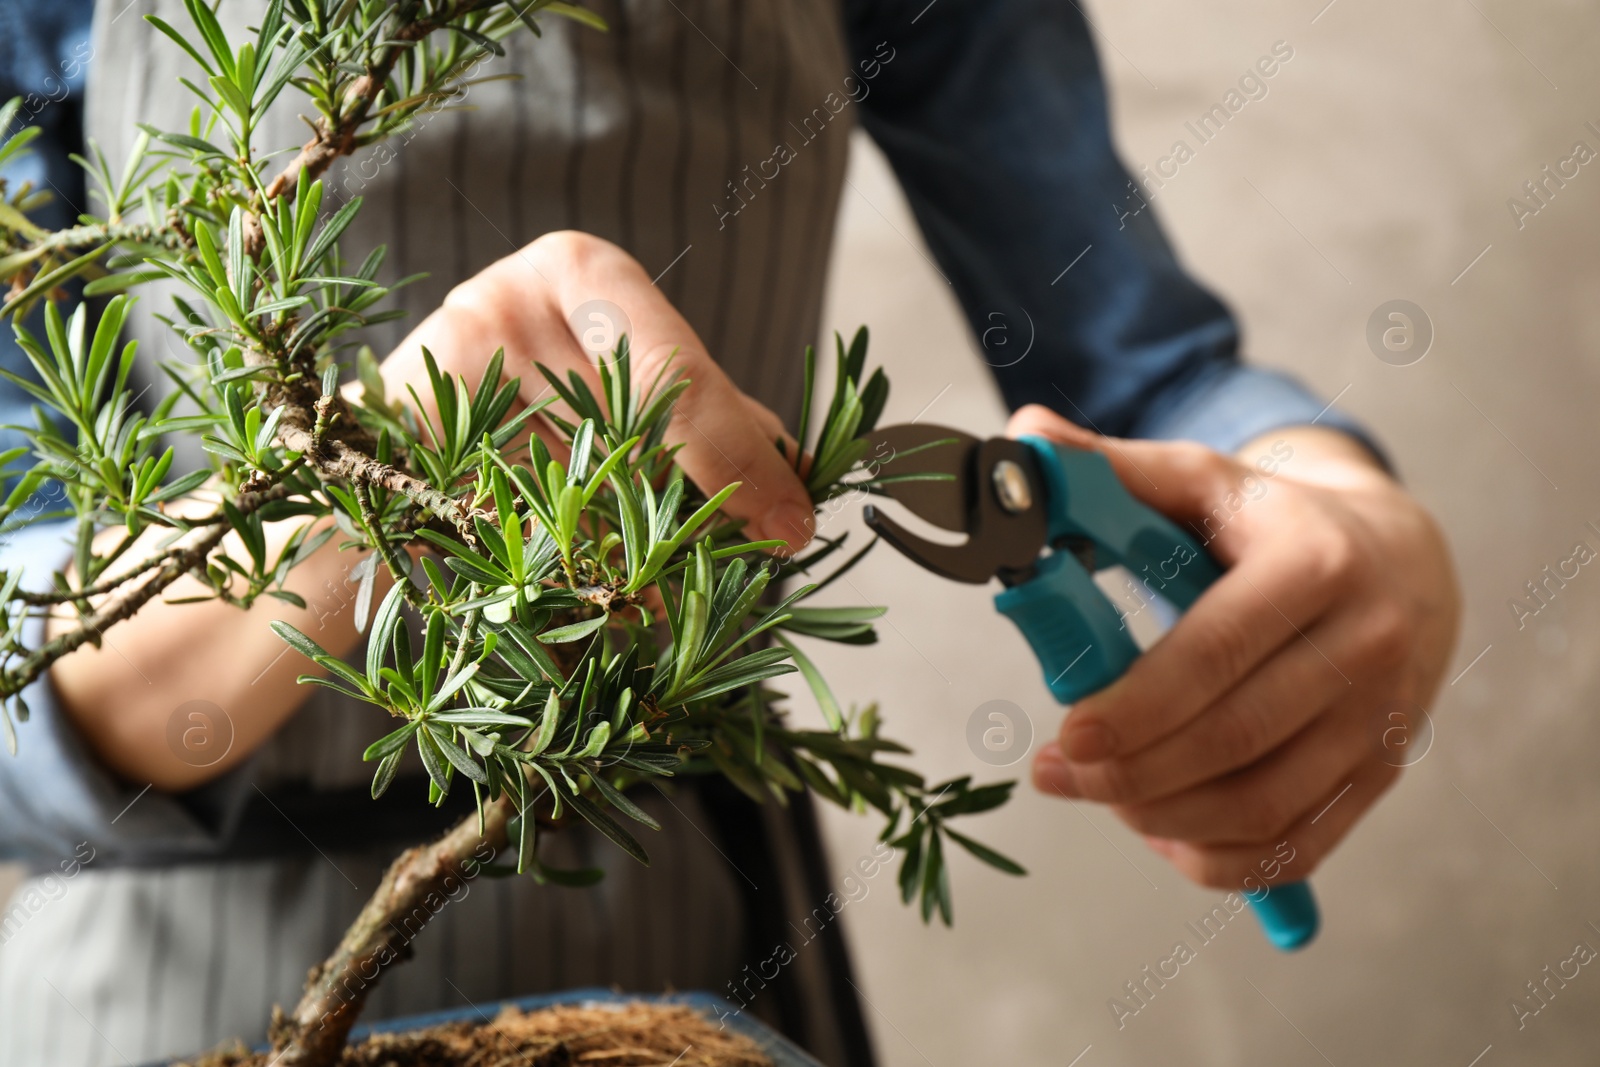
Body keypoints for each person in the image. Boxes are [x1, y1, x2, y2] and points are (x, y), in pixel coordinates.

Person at [0, 1, 1460, 1065]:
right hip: (157, 996)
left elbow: (1156, 375)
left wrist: (1348, 512)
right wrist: (371, 494)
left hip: (692, 941)